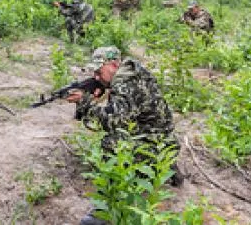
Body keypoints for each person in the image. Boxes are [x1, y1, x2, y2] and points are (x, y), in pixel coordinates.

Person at [66, 46, 182, 225]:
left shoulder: (126, 83)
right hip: (159, 137)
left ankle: (107, 207)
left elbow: (112, 121)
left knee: (112, 142)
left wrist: (85, 101)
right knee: (121, 135)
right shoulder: (130, 73)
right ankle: (163, 165)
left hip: (155, 141)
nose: (96, 77)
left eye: (99, 71)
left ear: (113, 65)